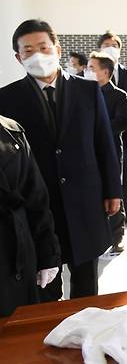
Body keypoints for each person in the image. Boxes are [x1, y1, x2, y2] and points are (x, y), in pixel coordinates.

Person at [0, 19, 122, 300]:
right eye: (28, 51)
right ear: (18, 58)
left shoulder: (88, 91)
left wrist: (113, 190)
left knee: (87, 286)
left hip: (85, 202)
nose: (37, 55)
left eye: (43, 47)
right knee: (46, 286)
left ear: (57, 48)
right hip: (40, 207)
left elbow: (104, 143)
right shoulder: (7, 99)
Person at [0, 114, 61, 316]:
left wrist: (47, 254)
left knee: (20, 332)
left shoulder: (11, 130)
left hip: (18, 252)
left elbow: (36, 197)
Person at [87, 51, 127, 255]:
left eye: (91, 68)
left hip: (112, 151)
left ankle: (117, 238)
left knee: (114, 192)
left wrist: (97, 128)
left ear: (105, 72)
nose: (87, 71)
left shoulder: (119, 95)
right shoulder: (84, 94)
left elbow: (123, 122)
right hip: (87, 152)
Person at [98, 31, 127, 227]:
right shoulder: (91, 74)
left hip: (125, 134)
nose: (110, 47)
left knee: (126, 177)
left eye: (114, 45)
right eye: (106, 44)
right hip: (98, 136)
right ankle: (107, 217)